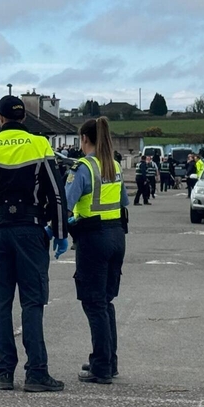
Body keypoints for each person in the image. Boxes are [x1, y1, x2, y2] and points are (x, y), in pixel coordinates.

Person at [0, 95, 68, 393]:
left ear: (0, 118)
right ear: (23, 118)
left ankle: (4, 373)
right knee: (32, 302)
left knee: (1, 302)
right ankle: (36, 373)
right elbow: (57, 193)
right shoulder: (39, 145)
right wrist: (60, 232)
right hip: (31, 230)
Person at [64, 117, 128, 385]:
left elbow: (66, 202)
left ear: (84, 139)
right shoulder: (113, 165)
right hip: (117, 236)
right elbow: (123, 201)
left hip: (93, 238)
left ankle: (100, 366)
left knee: (94, 303)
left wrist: (56, 228)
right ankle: (108, 360)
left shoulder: (84, 167)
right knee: (105, 301)